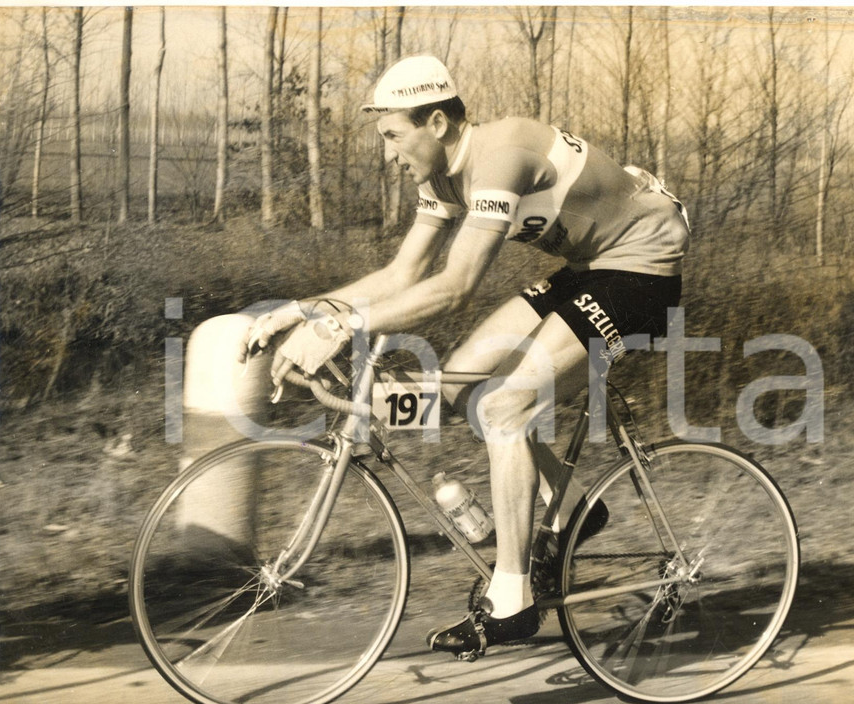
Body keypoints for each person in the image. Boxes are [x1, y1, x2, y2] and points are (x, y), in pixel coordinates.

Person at [240, 55, 690, 659]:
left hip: (643, 271)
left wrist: (342, 326)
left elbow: (455, 287)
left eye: (394, 136)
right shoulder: (441, 177)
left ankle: (513, 599)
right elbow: (402, 273)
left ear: (438, 124)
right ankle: (575, 505)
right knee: (461, 387)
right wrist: (301, 311)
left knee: (505, 408)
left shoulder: (501, 155)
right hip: (590, 268)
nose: (389, 153)